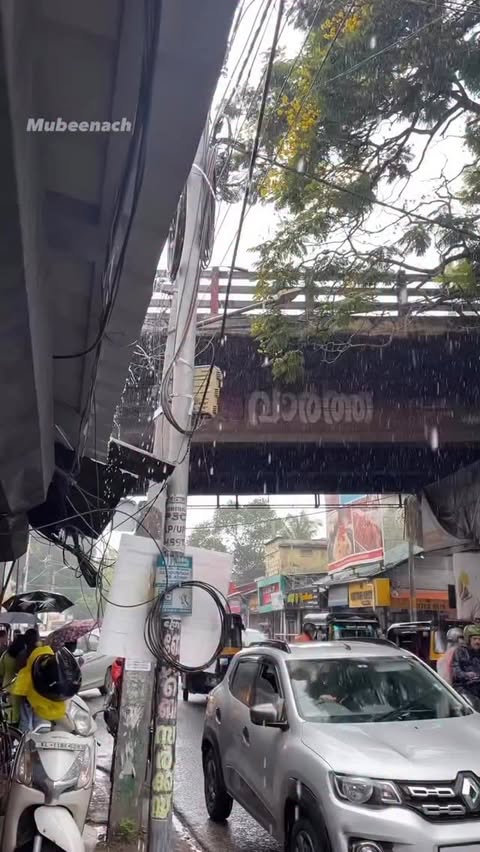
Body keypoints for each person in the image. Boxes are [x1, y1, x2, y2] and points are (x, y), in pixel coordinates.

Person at [0, 635, 26, 724]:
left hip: (7, 686)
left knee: (7, 710)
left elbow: (1, 671)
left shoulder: (5, 654)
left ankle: (8, 727)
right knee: (19, 710)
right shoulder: (24, 656)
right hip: (20, 688)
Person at [451, 624, 480, 700]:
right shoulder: (460, 652)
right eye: (474, 639)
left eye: (479, 639)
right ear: (468, 640)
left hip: (478, 685)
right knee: (472, 702)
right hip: (463, 686)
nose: (477, 642)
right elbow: (455, 671)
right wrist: (466, 675)